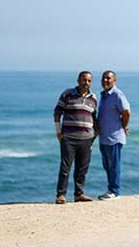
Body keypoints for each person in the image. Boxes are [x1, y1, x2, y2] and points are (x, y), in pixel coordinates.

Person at [53, 71, 98, 204]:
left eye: (89, 80)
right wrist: (58, 132)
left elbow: (94, 118)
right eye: (84, 80)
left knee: (82, 168)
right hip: (69, 138)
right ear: (78, 80)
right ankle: (61, 195)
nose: (86, 83)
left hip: (86, 138)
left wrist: (95, 134)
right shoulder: (68, 94)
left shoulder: (93, 98)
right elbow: (57, 113)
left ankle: (79, 194)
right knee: (65, 167)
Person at [97, 71, 131, 200]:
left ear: (114, 81)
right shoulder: (104, 95)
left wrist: (124, 125)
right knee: (107, 165)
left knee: (114, 165)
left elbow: (126, 111)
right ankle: (110, 189)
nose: (105, 80)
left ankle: (115, 191)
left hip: (114, 137)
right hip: (104, 137)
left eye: (109, 78)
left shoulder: (117, 94)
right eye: (104, 78)